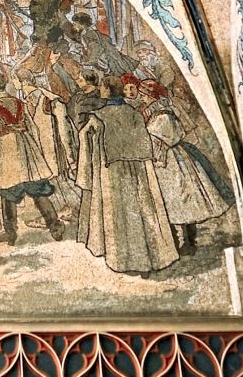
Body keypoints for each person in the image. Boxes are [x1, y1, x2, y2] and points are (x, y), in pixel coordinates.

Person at [75, 75, 178, 274]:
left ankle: (123, 261)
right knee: (141, 210)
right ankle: (150, 258)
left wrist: (86, 173)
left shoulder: (97, 117)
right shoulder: (134, 113)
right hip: (138, 170)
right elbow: (144, 144)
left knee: (118, 213)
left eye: (103, 87)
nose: (100, 90)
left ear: (108, 90)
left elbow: (85, 140)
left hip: (111, 171)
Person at [131, 77, 227, 255]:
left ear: (152, 96)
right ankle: (174, 242)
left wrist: (149, 145)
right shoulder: (152, 114)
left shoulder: (163, 116)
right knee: (168, 203)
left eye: (144, 94)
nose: (141, 97)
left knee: (183, 200)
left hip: (172, 161)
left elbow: (166, 139)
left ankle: (188, 242)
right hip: (161, 163)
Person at [0, 72, 66, 242]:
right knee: (37, 189)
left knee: (7, 191)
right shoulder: (20, 103)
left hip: (6, 152)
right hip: (26, 150)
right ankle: (55, 227)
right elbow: (33, 129)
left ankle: (10, 233)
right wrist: (36, 153)